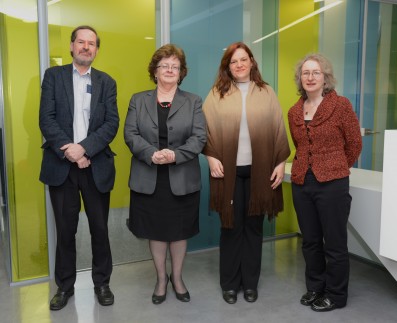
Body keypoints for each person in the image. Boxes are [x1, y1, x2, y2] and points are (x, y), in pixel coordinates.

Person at [202, 42, 290, 304]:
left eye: (243, 59)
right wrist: (209, 156)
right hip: (227, 172)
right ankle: (229, 284)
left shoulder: (266, 92)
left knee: (253, 228)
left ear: (252, 62)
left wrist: (281, 162)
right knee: (230, 227)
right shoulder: (217, 93)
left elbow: (277, 128)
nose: (239, 65)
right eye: (233, 61)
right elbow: (203, 129)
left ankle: (250, 283)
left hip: (259, 172)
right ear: (227, 66)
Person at [39, 25, 119, 310]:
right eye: (81, 42)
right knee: (65, 230)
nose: (87, 47)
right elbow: (46, 120)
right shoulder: (53, 77)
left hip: (95, 165)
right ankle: (64, 286)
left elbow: (111, 124)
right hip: (62, 166)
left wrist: (83, 148)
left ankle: (102, 282)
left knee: (100, 229)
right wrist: (71, 152)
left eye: (92, 43)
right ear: (72, 46)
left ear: (97, 49)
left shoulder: (107, 82)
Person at [124, 44, 206, 305]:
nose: (170, 70)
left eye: (175, 66)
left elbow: (199, 136)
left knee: (179, 232)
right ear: (155, 71)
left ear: (181, 72)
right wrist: (151, 153)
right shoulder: (138, 100)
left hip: (181, 177)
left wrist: (175, 155)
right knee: (156, 232)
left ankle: (177, 277)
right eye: (165, 66)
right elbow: (130, 134)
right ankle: (161, 279)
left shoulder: (193, 100)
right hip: (148, 177)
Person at [288, 53, 362, 312]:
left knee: (334, 242)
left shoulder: (340, 106)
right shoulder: (294, 111)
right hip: (301, 182)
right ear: (300, 78)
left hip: (333, 184)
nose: (309, 77)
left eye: (315, 72)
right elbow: (299, 146)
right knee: (309, 240)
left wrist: (336, 167)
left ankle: (336, 294)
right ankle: (315, 287)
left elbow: (354, 144)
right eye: (305, 73)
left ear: (325, 78)